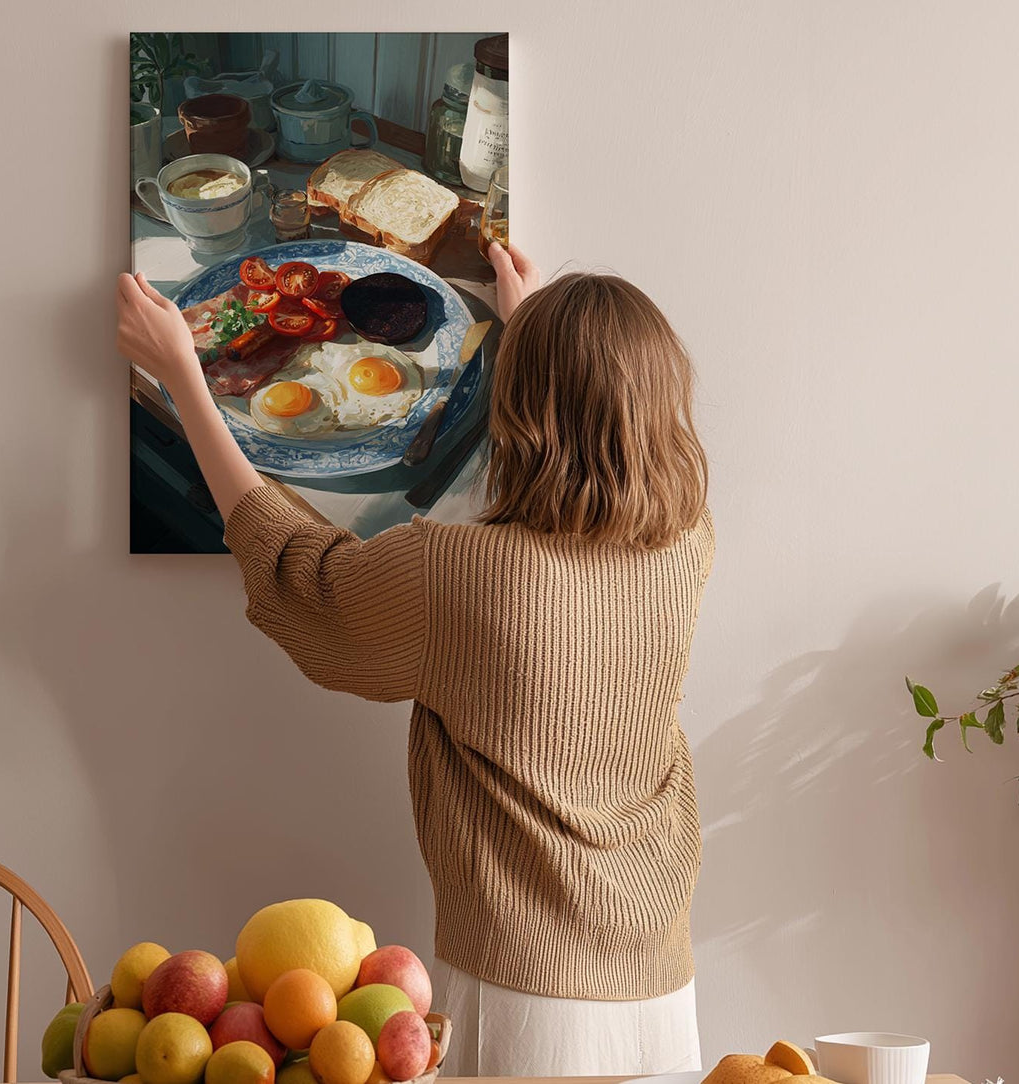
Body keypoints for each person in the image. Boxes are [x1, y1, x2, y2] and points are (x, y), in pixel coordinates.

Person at [116, 241, 713, 1076]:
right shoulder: (684, 546)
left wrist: (182, 375)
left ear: (523, 402)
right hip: (660, 973)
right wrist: (529, 329)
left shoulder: (456, 572)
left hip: (523, 985)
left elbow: (300, 573)